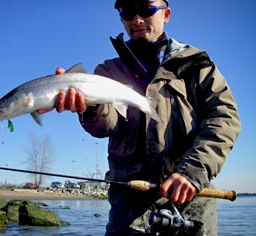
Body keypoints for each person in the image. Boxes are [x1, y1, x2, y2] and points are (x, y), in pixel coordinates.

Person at [39, 0, 241, 235]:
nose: (136, 20)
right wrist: (89, 108)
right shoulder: (107, 71)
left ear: (166, 14)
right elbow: (108, 124)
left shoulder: (196, 64)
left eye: (146, 9)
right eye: (127, 12)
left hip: (192, 199)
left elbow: (224, 117)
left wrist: (193, 171)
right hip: (129, 204)